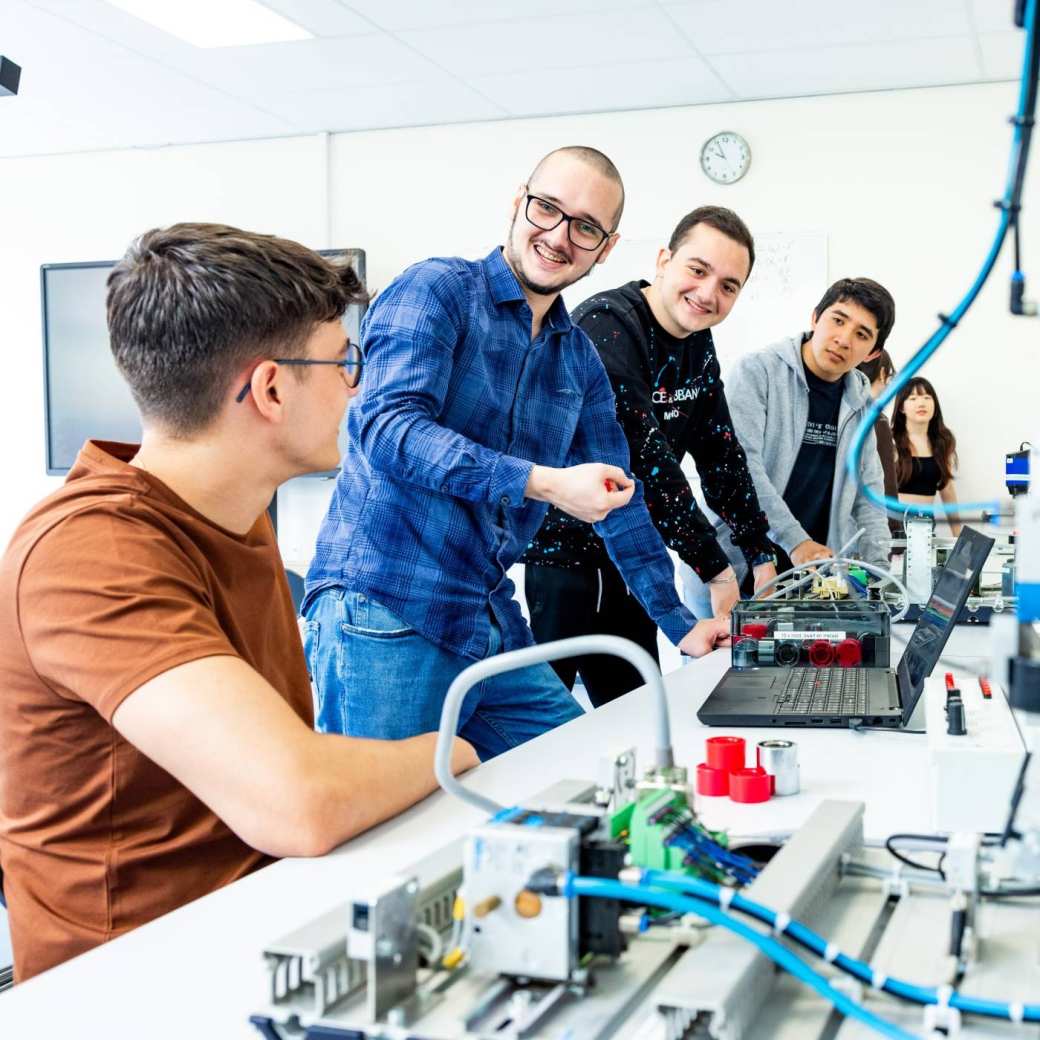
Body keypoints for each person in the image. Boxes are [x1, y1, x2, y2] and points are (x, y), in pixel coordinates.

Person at [0, 224, 477, 983]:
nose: (357, 387)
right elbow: (298, 802)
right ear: (271, 388)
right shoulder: (89, 551)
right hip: (135, 988)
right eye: (343, 362)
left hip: (265, 931)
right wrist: (453, 752)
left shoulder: (236, 517)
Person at [303, 146, 729, 756]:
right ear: (518, 203)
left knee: (582, 779)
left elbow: (620, 498)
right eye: (547, 209)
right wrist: (545, 482)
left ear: (606, 247)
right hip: (386, 604)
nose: (558, 237)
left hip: (483, 614)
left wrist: (683, 627)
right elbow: (388, 429)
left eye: (585, 227)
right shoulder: (437, 292)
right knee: (391, 829)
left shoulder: (576, 358)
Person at [521, 206, 776, 706]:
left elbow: (722, 454)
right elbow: (647, 466)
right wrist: (717, 570)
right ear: (664, 260)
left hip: (634, 557)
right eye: (698, 270)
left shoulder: (697, 344)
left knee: (637, 709)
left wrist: (760, 554)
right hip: (569, 555)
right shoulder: (605, 327)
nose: (708, 294)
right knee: (544, 716)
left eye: (729, 285)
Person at [681, 277, 895, 612]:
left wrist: (880, 578)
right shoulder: (759, 372)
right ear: (815, 318)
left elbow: (869, 495)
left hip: (808, 583)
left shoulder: (860, 401)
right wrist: (797, 543)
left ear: (873, 352)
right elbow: (741, 470)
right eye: (838, 320)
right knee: (719, 666)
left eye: (861, 334)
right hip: (732, 572)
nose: (843, 339)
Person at [892, 376, 962, 536]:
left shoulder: (943, 441)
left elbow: (947, 488)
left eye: (927, 397)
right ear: (901, 407)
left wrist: (957, 534)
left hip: (926, 525)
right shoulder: (891, 441)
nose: (921, 403)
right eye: (913, 398)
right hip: (895, 525)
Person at [857, 349, 903, 538]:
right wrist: (897, 531)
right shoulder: (878, 421)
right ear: (883, 373)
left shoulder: (846, 414)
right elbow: (887, 485)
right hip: (872, 532)